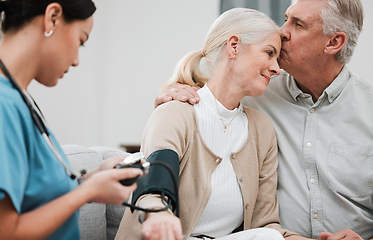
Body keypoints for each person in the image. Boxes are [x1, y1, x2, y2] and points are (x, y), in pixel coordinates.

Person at [154, 0, 373, 239]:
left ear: (333, 42)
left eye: (298, 24)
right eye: (287, 18)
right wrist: (175, 95)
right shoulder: (256, 89)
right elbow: (214, 87)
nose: (282, 31)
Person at [116, 7, 305, 240]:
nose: (277, 68)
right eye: (269, 53)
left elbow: (265, 226)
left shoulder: (262, 129)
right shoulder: (175, 113)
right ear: (234, 46)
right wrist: (159, 215)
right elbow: (153, 191)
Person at [0, 1, 144, 239]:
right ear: (53, 17)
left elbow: (35, 196)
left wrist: (92, 178)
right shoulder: (5, 105)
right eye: (81, 41)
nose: (77, 60)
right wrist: (87, 192)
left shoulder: (19, 101)